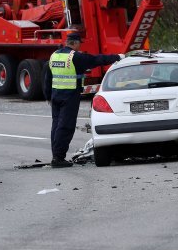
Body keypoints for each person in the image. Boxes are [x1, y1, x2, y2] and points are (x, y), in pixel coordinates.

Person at [43, 32, 122, 168]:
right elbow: (97, 59)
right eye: (79, 43)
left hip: (56, 96)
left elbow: (47, 77)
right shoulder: (75, 57)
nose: (80, 46)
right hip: (69, 97)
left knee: (56, 126)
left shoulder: (54, 55)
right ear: (74, 43)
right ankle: (58, 158)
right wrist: (118, 57)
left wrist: (48, 96)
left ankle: (56, 156)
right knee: (65, 126)